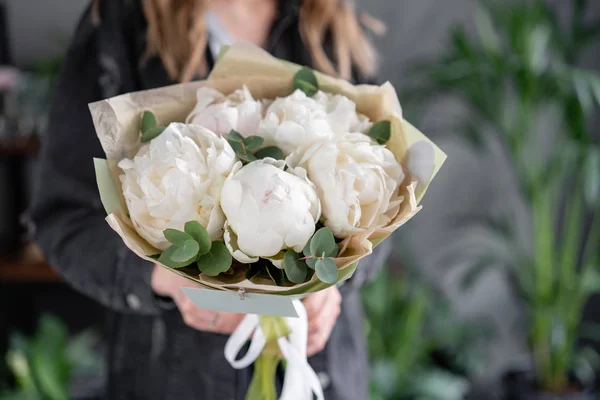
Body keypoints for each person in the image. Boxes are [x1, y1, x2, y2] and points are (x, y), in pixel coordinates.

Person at [31, 0, 391, 399]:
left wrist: (336, 280)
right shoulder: (122, 21)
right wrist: (159, 278)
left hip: (318, 373)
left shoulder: (329, 19)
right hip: (173, 375)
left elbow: (384, 190)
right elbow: (62, 217)